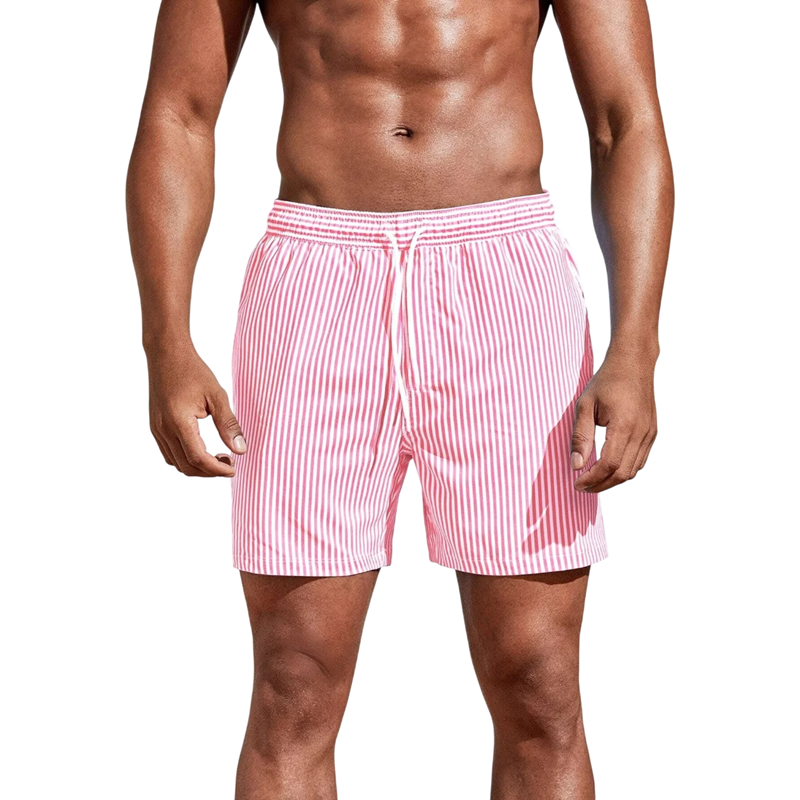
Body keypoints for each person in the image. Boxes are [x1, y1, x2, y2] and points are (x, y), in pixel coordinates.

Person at [126, 0, 673, 796]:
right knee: (294, 680)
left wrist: (636, 348)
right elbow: (179, 113)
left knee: (539, 680)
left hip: (506, 283)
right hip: (316, 281)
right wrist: (166, 344)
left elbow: (626, 122)